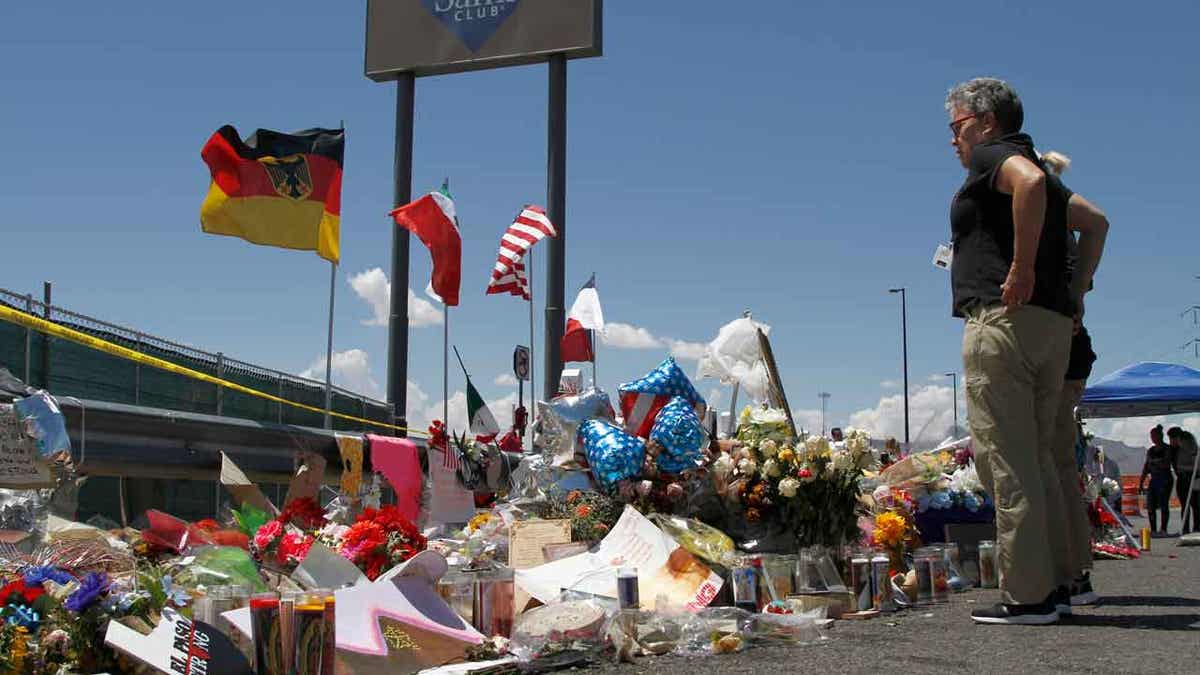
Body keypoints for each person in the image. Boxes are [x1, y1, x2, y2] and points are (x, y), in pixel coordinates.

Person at [945, 77, 1106, 626]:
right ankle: (1061, 580)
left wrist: (1021, 269)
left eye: (957, 125)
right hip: (1051, 328)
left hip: (1004, 321)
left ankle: (1028, 596)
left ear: (986, 122)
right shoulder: (1037, 164)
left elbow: (1030, 184)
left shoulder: (997, 157)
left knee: (1006, 464)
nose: (954, 139)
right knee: (1040, 460)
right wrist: (1077, 289)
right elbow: (1096, 222)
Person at [1040, 150, 1108, 611]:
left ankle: (1059, 575)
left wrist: (1076, 292)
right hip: (1070, 347)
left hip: (1054, 344)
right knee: (1060, 461)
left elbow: (1098, 221)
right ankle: (1074, 572)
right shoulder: (1058, 221)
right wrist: (1080, 288)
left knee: (1047, 461)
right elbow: (1097, 226)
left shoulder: (1044, 201)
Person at [1139, 425, 1175, 534]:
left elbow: (1165, 463)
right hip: (1154, 479)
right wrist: (1141, 482)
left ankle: (1163, 529)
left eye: (1154, 436)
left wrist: (1154, 462)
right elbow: (1146, 466)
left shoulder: (1167, 448)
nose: (1152, 438)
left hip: (1165, 478)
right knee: (1150, 506)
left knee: (1164, 504)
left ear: (1160, 436)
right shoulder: (1151, 450)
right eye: (1151, 436)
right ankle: (1153, 530)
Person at [1167, 427, 1199, 533]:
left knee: (1195, 505)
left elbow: (1194, 466)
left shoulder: (1193, 450)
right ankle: (1185, 529)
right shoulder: (1175, 450)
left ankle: (1196, 528)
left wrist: (1187, 469)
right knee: (1186, 506)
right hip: (1183, 479)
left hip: (1193, 479)